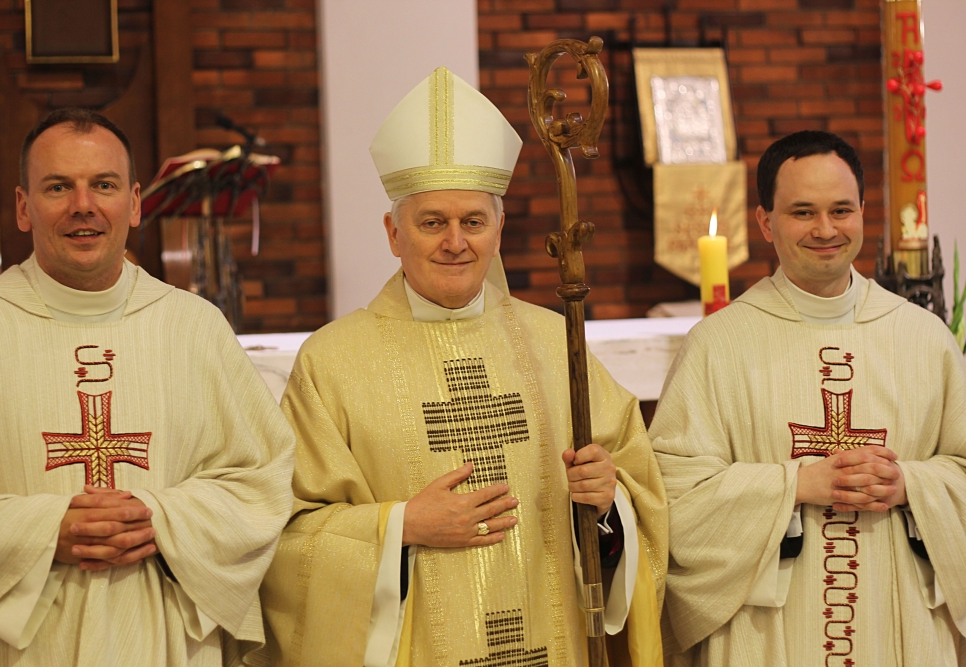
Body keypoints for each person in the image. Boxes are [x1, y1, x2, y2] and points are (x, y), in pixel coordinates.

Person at [260, 68, 667, 666]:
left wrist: (610, 504)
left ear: (499, 230)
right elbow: (289, 532)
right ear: (393, 233)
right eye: (433, 222)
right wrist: (402, 526)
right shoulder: (332, 361)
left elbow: (635, 485)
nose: (455, 241)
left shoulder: (557, 343)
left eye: (473, 221)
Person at [0, 108, 295, 667]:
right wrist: (45, 531)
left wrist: (158, 518)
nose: (83, 205)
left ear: (135, 202)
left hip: (166, 635)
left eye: (104, 185)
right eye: (58, 187)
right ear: (24, 207)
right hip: (23, 647)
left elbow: (262, 481)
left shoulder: (194, 327)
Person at [650, 130, 966, 666]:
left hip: (899, 616)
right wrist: (795, 484)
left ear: (863, 212)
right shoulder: (718, 344)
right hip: (769, 627)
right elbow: (672, 496)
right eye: (803, 212)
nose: (825, 229)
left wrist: (910, 483)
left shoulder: (924, 337)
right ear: (766, 222)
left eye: (841, 210)